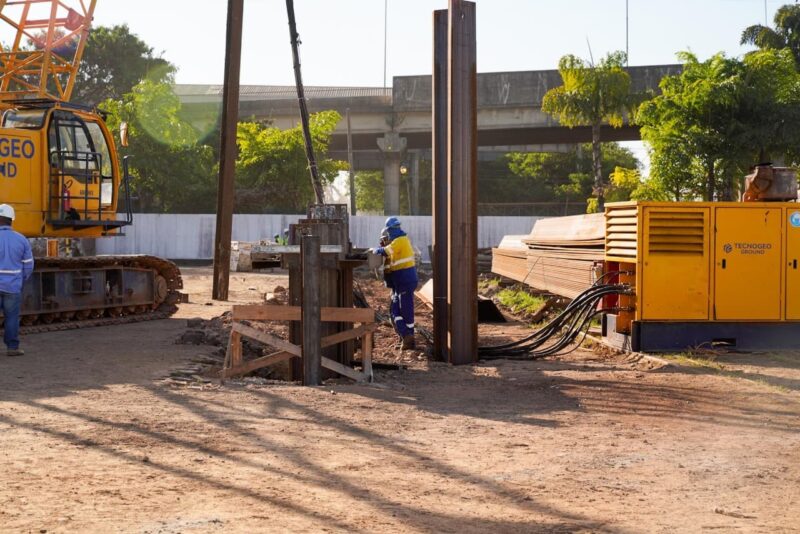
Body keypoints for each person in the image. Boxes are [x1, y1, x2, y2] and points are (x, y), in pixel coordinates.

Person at [372, 217, 418, 350]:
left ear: (391, 230)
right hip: (399, 282)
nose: (385, 240)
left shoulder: (400, 241)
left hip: (405, 280)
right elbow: (389, 269)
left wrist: (375, 250)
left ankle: (408, 336)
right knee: (395, 311)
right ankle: (405, 336)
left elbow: (387, 251)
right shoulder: (396, 243)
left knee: (405, 310)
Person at [0, 204, 34, 357]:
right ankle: (12, 348)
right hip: (12, 287)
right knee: (11, 318)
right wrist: (20, 280)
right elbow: (28, 266)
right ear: (11, 220)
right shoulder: (21, 240)